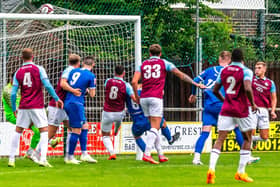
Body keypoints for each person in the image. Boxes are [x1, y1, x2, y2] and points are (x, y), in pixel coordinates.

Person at [131, 44, 205, 164]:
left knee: (154, 126)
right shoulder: (164, 63)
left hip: (144, 97)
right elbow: (181, 75)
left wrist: (136, 96)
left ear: (149, 54)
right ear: (160, 54)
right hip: (156, 97)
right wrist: (195, 83)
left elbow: (134, 81)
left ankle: (160, 154)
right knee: (155, 127)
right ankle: (147, 153)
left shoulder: (143, 65)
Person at [206, 48, 258, 184]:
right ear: (243, 59)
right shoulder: (246, 71)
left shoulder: (224, 71)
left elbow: (215, 90)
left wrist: (224, 100)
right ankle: (241, 172)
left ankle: (211, 170)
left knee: (219, 140)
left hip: (226, 109)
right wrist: (253, 103)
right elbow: (247, 88)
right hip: (241, 110)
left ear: (231, 59)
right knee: (247, 139)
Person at [9, 48, 63, 167]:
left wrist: (14, 108)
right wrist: (56, 98)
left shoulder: (18, 72)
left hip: (23, 106)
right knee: (44, 131)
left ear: (22, 58)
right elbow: (47, 85)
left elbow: (13, 93)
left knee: (18, 131)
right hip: (37, 106)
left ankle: (11, 159)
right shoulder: (39, 69)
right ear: (33, 56)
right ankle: (43, 159)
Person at [189, 51, 244, 165]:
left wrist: (193, 94)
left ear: (219, 59)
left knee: (205, 132)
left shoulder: (209, 70)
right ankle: (246, 156)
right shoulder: (231, 71)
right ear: (230, 60)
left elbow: (195, 81)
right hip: (222, 104)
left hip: (209, 105)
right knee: (237, 127)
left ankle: (196, 158)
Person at [125, 82, 180, 163]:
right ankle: (169, 140)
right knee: (159, 125)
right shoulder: (145, 92)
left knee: (137, 136)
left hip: (136, 122)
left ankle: (149, 154)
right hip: (147, 119)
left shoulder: (128, 94)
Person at [63, 56, 97, 164]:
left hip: (68, 101)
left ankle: (84, 153)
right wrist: (87, 89)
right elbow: (92, 95)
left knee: (85, 126)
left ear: (83, 63)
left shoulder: (74, 70)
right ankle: (70, 157)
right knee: (76, 130)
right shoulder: (91, 76)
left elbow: (70, 83)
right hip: (76, 103)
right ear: (93, 64)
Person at [47, 54, 81, 161]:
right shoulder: (69, 71)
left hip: (65, 106)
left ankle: (68, 156)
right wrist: (74, 91)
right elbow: (62, 84)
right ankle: (36, 153)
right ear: (78, 63)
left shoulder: (72, 72)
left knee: (73, 128)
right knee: (50, 133)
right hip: (57, 106)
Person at [2, 72, 41, 163]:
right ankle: (16, 157)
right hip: (12, 115)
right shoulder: (7, 90)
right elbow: (14, 107)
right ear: (13, 79)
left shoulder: (18, 89)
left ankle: (29, 153)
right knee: (37, 128)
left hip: (22, 113)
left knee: (38, 131)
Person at [102, 65, 136, 160]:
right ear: (124, 73)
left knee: (105, 135)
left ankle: (112, 153)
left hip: (107, 111)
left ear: (114, 72)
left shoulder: (108, 81)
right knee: (118, 120)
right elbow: (133, 98)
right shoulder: (126, 85)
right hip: (119, 112)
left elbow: (107, 88)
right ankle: (116, 129)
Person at [250, 61, 277, 149]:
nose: (256, 70)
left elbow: (273, 98)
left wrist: (272, 111)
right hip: (252, 109)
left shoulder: (270, 83)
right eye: (255, 68)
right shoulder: (250, 80)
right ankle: (247, 156)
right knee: (251, 132)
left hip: (264, 110)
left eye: (259, 68)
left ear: (264, 69)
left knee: (265, 137)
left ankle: (253, 141)